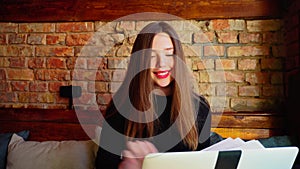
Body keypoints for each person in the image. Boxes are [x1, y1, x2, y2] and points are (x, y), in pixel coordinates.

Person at [95, 21, 211, 169]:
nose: (161, 63)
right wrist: (130, 165)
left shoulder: (200, 107)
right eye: (151, 56)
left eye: (169, 54)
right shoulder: (120, 107)